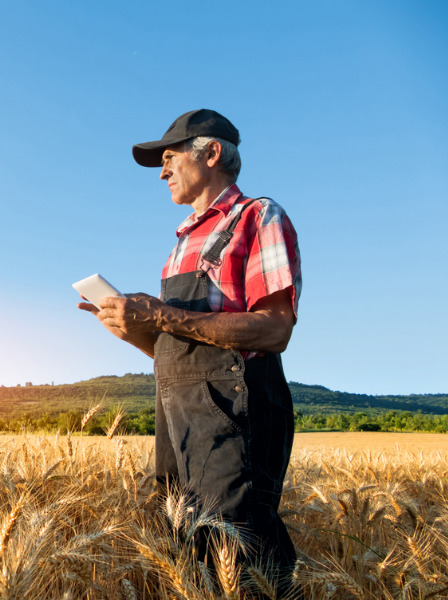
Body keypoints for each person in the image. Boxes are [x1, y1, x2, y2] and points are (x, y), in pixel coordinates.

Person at [78, 109, 302, 596]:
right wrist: (134, 330)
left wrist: (160, 316)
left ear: (212, 153)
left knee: (243, 553)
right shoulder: (180, 244)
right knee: (189, 549)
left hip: (236, 414)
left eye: (169, 157)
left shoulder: (257, 217)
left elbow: (274, 330)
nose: (161, 171)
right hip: (178, 418)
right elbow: (179, 353)